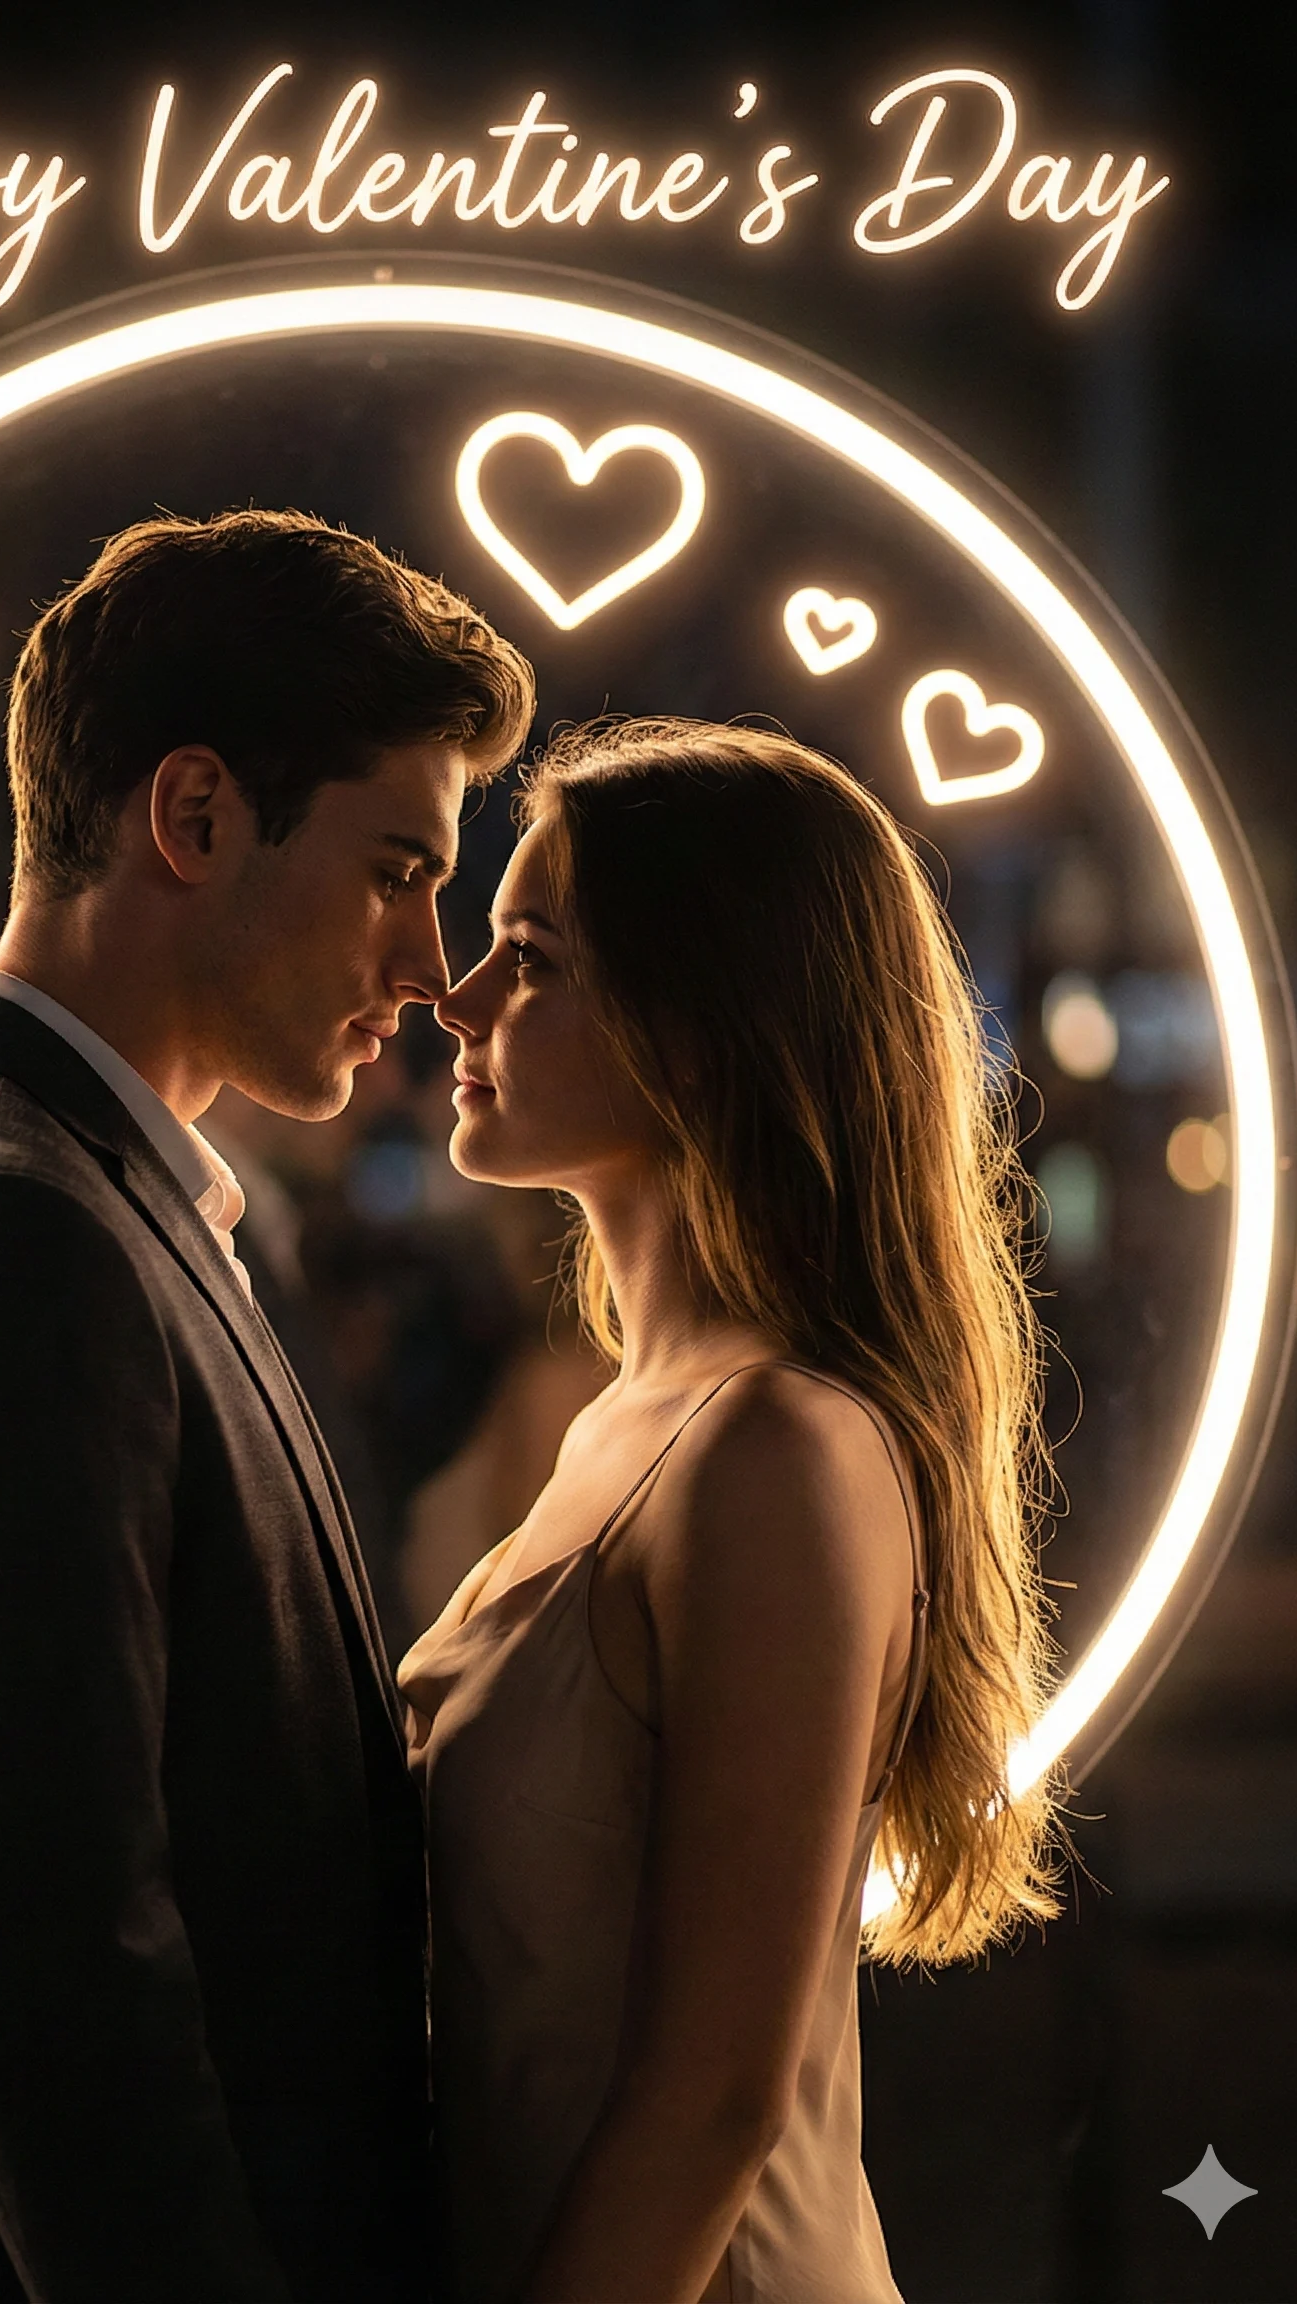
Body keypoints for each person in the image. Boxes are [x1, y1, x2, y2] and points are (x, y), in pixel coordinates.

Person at [0, 509, 534, 2303]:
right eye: (397, 867)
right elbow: (49, 1964)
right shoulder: (3, 1240)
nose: (428, 967)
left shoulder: (69, 1198)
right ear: (194, 818)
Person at [404, 720, 1066, 2304]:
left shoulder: (773, 1451)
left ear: (698, 1029)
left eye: (531, 956)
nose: (460, 996)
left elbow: (711, 2105)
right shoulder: (623, 1428)